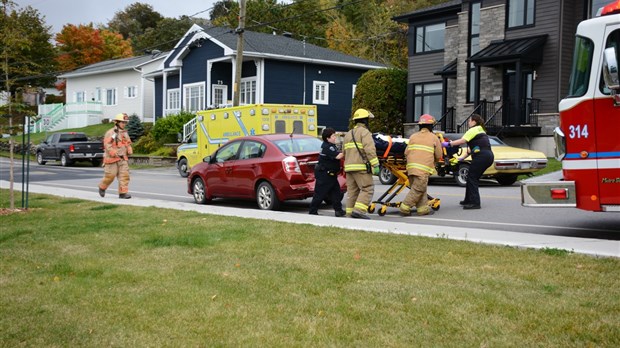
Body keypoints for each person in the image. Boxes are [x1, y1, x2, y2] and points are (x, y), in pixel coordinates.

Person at [442, 114, 494, 209]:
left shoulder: (473, 130)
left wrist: (449, 144)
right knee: (471, 177)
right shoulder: (481, 130)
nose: (468, 122)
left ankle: (475, 203)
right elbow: (471, 149)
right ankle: (468, 200)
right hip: (488, 156)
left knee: (472, 178)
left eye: (469, 121)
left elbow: (462, 141)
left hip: (481, 156)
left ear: (474, 121)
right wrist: (461, 158)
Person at [399, 114, 443, 216]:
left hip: (411, 169)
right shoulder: (433, 138)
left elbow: (406, 152)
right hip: (422, 170)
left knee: (421, 189)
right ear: (431, 126)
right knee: (418, 189)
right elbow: (439, 155)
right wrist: (435, 161)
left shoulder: (413, 136)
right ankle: (405, 207)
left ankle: (422, 209)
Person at [342, 108, 380, 219]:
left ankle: (349, 214)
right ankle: (359, 211)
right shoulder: (365, 132)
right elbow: (370, 150)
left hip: (349, 168)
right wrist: (376, 165)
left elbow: (344, 152)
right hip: (361, 167)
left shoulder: (348, 134)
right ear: (365, 120)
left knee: (352, 192)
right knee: (367, 188)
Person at [308, 128, 346, 217]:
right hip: (324, 175)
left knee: (336, 193)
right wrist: (347, 149)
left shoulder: (331, 145)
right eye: (333, 136)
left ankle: (338, 210)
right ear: (327, 138)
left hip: (331, 174)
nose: (335, 137)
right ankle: (312, 212)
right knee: (320, 194)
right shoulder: (327, 147)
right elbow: (338, 156)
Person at [98, 113, 133, 199]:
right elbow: (107, 144)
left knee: (124, 176)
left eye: (125, 122)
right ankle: (102, 187)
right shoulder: (111, 133)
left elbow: (127, 142)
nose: (124, 124)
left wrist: (129, 148)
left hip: (122, 158)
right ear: (117, 122)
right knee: (110, 176)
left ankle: (123, 193)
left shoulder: (125, 133)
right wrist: (112, 151)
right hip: (112, 158)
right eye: (122, 122)